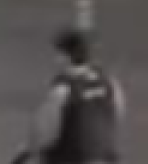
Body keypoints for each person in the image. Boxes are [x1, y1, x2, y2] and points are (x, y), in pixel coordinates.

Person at [18, 28, 124, 164]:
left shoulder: (63, 89)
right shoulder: (110, 82)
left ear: (65, 57)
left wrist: (27, 152)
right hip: (104, 157)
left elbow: (43, 131)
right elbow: (116, 115)